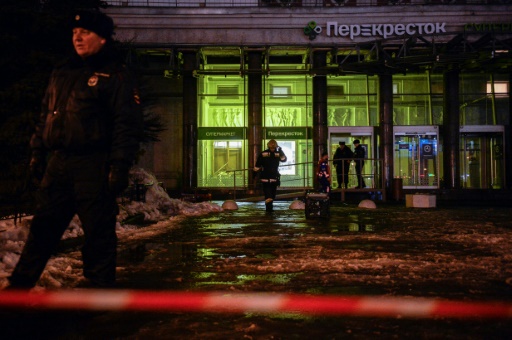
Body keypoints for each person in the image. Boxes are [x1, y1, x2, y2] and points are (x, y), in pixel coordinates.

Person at [7, 10, 143, 289]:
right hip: (59, 162)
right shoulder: (63, 71)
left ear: (103, 38)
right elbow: (46, 115)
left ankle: (98, 286)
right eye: (74, 33)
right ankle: (19, 286)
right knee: (43, 227)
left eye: (86, 33)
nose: (78, 37)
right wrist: (37, 152)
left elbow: (125, 124)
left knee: (98, 229)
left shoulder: (114, 75)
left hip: (93, 163)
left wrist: (118, 166)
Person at [254, 139, 287, 212]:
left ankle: (269, 208)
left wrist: (254, 176)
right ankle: (269, 209)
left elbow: (257, 165)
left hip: (266, 177)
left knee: (269, 194)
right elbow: (284, 159)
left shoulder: (263, 153)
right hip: (273, 177)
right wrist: (280, 150)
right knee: (271, 194)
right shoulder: (277, 153)